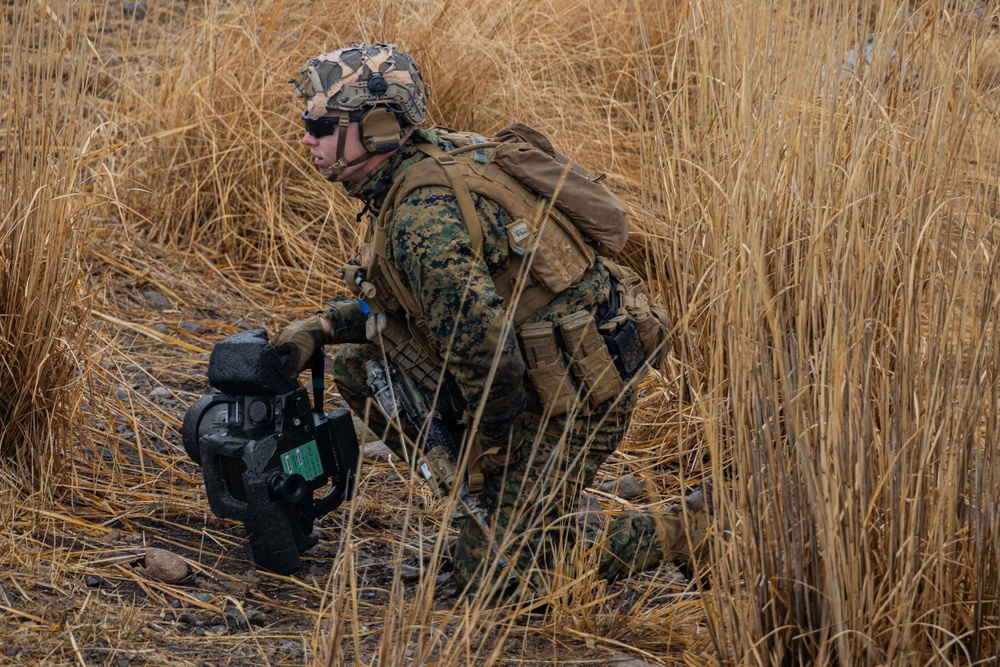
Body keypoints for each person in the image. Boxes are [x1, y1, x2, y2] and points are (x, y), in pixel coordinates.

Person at [274, 43, 710, 602]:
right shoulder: (420, 166)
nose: (306, 137)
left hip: (577, 389)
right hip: (541, 369)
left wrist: (487, 466)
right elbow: (408, 305)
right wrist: (328, 327)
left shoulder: (421, 218)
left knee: (507, 576)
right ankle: (518, 511)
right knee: (361, 370)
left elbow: (489, 359)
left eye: (318, 124)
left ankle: (695, 531)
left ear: (379, 128)